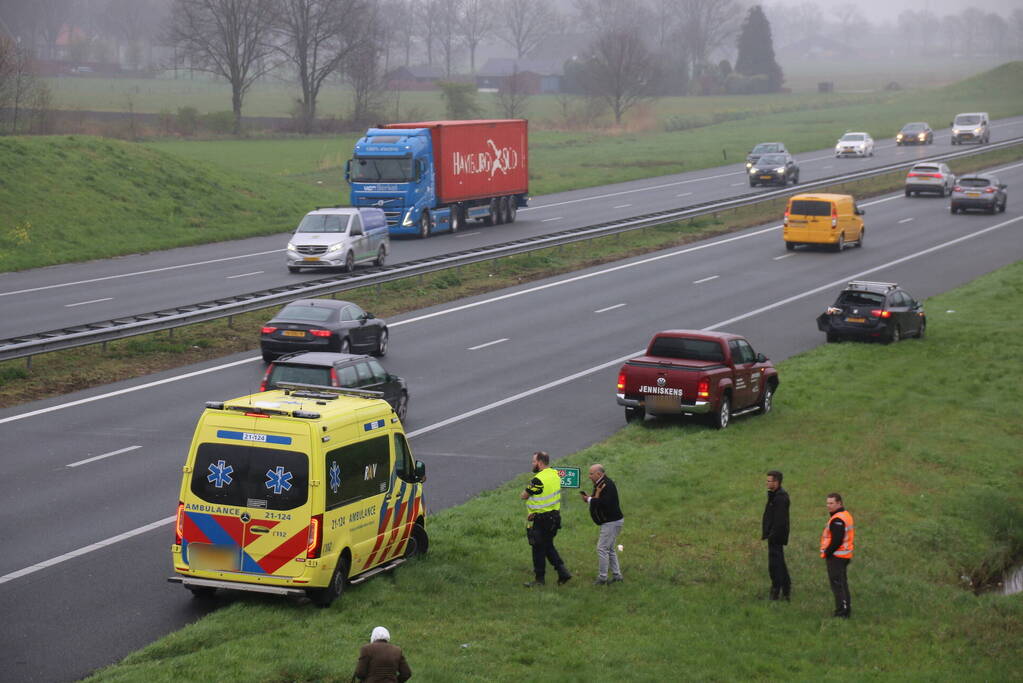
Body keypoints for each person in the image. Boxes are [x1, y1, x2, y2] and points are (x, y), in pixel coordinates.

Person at [520, 451, 571, 587]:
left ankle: (539, 580)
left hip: (541, 519)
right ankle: (563, 572)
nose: (532, 464)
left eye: (533, 461)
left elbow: (524, 495)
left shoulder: (538, 479)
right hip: (554, 517)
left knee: (538, 548)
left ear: (540, 462)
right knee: (548, 545)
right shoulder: (555, 475)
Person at [580, 463, 624, 585]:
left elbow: (605, 503)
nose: (589, 476)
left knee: (602, 548)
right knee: (609, 549)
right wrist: (590, 498)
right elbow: (598, 500)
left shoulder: (607, 485)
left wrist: (589, 499)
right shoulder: (600, 483)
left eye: (591, 474)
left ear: (599, 474)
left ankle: (603, 578)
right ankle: (617, 576)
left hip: (611, 522)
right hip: (613, 521)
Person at [820, 492, 855, 618]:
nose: (828, 506)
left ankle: (842, 612)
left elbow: (837, 540)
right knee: (842, 583)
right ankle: (845, 609)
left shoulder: (838, 520)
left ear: (839, 503)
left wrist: (827, 552)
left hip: (837, 557)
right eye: (827, 503)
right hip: (844, 556)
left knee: (837, 584)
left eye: (831, 503)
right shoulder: (845, 515)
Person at [761, 470, 791, 600]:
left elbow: (780, 520)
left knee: (775, 565)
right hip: (774, 535)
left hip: (776, 536)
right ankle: (786, 589)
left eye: (769, 481)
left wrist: (772, 535)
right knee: (780, 563)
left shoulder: (781, 498)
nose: (767, 483)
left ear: (776, 482)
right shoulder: (774, 495)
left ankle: (776, 591)